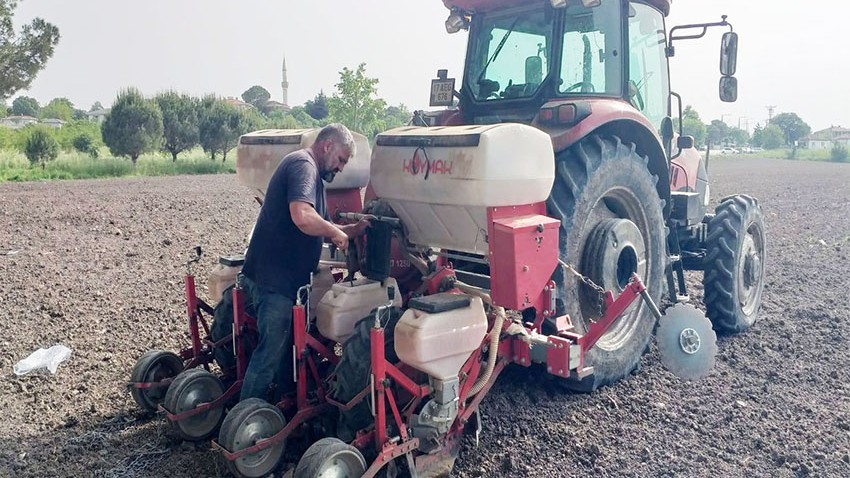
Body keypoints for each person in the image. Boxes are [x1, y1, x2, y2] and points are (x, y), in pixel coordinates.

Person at [239, 123, 369, 402]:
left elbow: (317, 224)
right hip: (275, 284)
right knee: (270, 353)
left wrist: (351, 230)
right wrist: (335, 232)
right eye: (341, 159)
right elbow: (302, 216)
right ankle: (244, 422)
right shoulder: (304, 166)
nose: (341, 168)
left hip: (278, 281)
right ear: (327, 146)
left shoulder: (308, 172)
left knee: (287, 348)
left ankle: (285, 405)